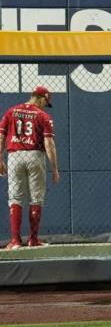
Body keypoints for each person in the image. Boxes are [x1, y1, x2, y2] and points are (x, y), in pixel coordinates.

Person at [0, 86, 59, 250]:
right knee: (36, 198)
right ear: (41, 98)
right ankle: (33, 239)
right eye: (45, 102)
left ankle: (15, 241)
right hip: (35, 155)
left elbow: (1, 136)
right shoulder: (43, 116)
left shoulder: (11, 111)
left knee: (15, 198)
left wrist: (0, 159)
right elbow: (49, 143)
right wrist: (54, 168)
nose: (44, 106)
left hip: (14, 155)